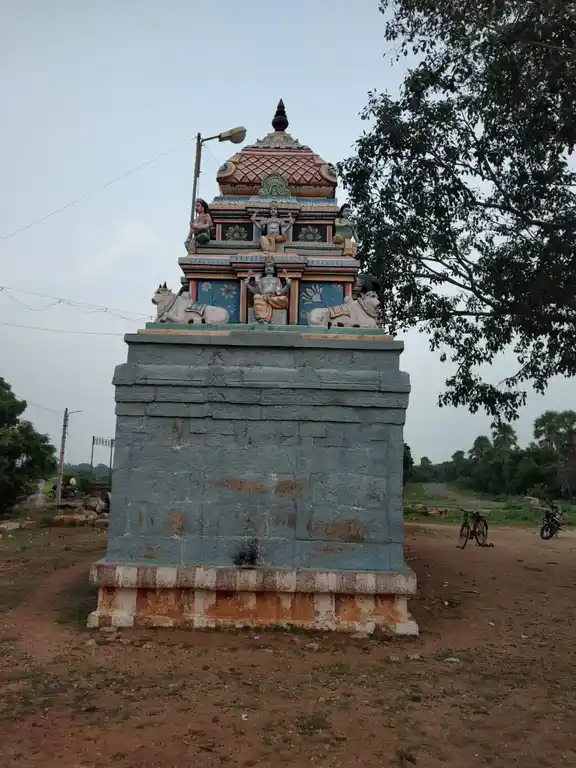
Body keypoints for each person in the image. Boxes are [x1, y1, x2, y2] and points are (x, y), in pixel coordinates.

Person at [245, 256, 291, 324]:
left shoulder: (277, 280)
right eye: (267, 266)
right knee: (256, 296)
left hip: (273, 298)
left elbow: (280, 292)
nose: (268, 268)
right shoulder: (261, 280)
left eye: (271, 266)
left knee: (284, 299)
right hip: (263, 297)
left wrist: (287, 285)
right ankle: (261, 318)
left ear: (274, 269)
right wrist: (248, 285)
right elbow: (257, 291)